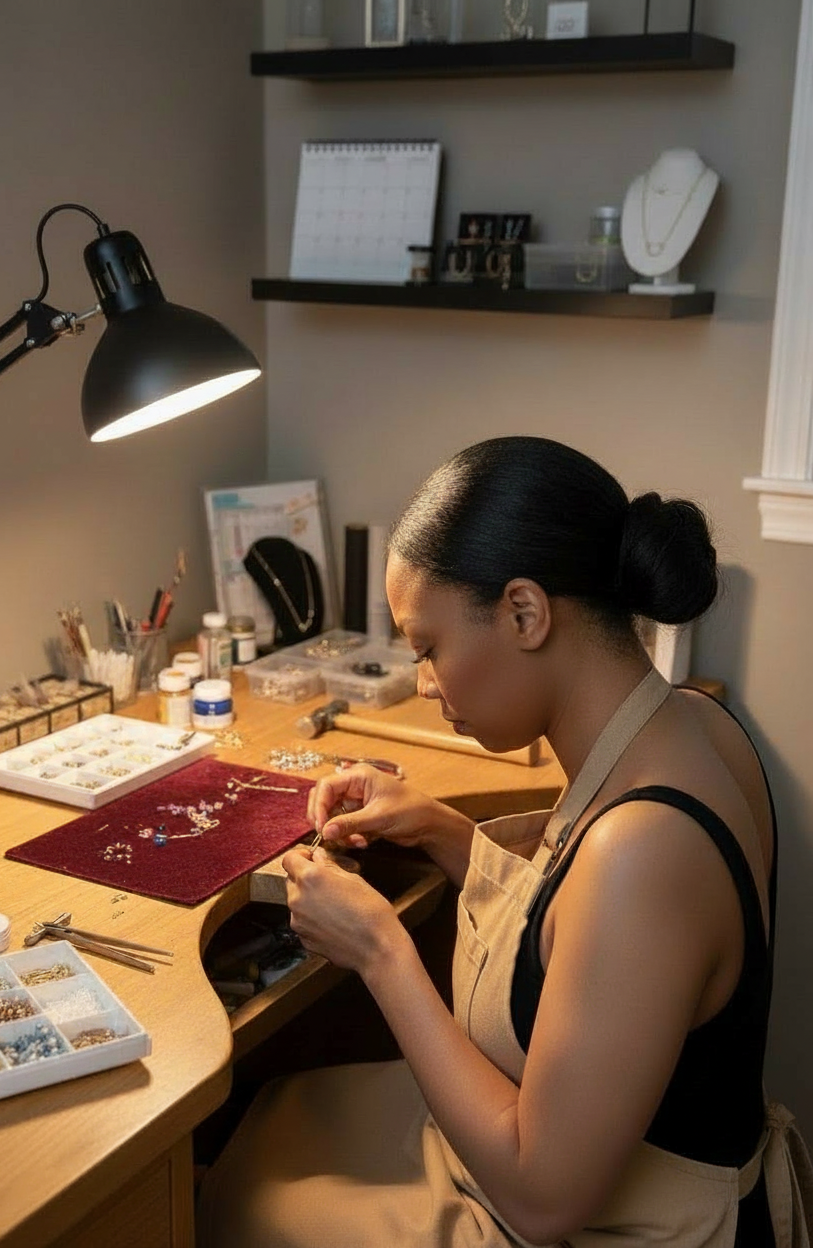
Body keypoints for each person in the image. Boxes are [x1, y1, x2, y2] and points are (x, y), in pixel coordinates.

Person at [197, 436, 812, 1247]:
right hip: (596, 1150)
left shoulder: (643, 849)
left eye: (429, 648)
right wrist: (448, 833)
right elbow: (585, 939)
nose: (422, 681)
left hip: (608, 1214)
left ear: (525, 613)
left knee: (244, 1192)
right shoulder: (688, 722)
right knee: (276, 1110)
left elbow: (541, 1198)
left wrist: (380, 951)